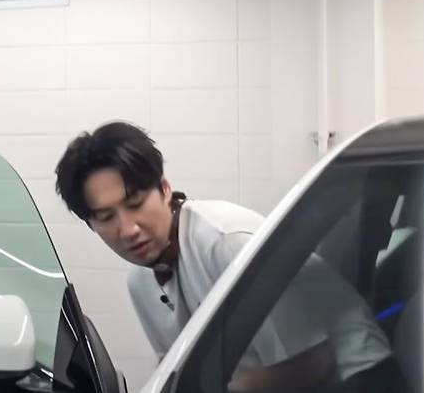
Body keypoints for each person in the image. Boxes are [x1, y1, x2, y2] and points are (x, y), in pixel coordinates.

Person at [55, 121, 396, 392]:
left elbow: (322, 361)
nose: (128, 229)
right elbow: (181, 371)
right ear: (91, 224)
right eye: (106, 217)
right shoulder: (141, 282)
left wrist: (236, 388)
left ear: (164, 188)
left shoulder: (227, 242)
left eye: (135, 203)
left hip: (361, 377)